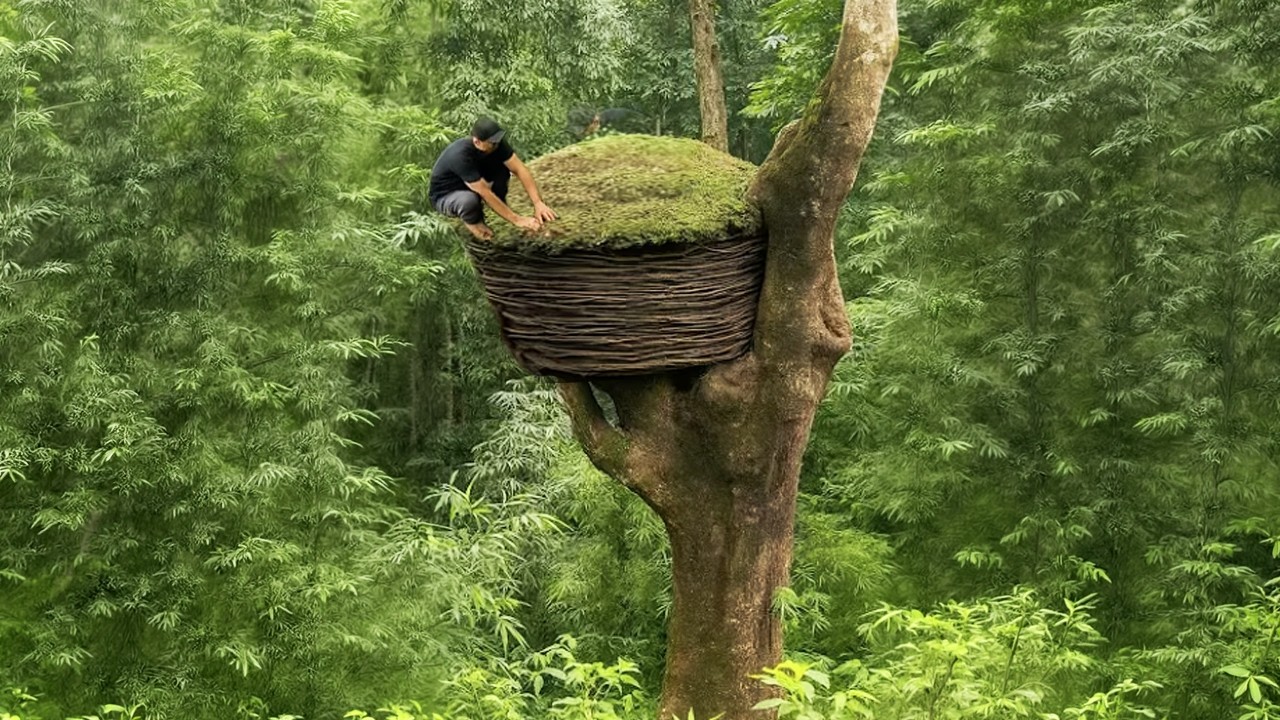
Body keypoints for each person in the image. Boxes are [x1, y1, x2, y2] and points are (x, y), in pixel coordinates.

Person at [429, 117, 557, 240]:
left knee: (503, 171)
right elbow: (484, 192)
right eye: (492, 143)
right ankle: (473, 222)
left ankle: (500, 206)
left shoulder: (496, 144)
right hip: (446, 195)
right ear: (477, 141)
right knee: (469, 201)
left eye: (497, 141)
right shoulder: (460, 156)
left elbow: (519, 169)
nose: (496, 144)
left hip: (473, 183)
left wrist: (538, 203)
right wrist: (518, 220)